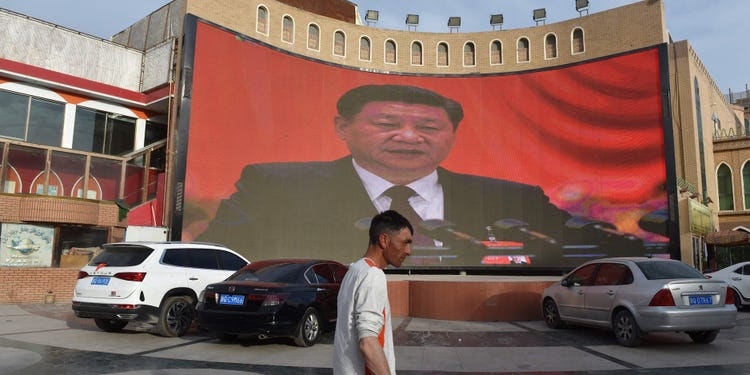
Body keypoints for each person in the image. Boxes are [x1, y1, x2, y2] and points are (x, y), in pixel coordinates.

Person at [196, 84, 599, 266]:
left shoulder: (514, 198)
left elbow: (581, 247)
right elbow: (219, 254)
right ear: (342, 127)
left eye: (428, 127)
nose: (408, 137)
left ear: (452, 135)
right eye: (387, 123)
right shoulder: (275, 186)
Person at [333, 210, 411, 375]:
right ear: (384, 240)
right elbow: (368, 343)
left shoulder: (355, 270)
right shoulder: (373, 275)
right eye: (405, 242)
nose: (409, 250)